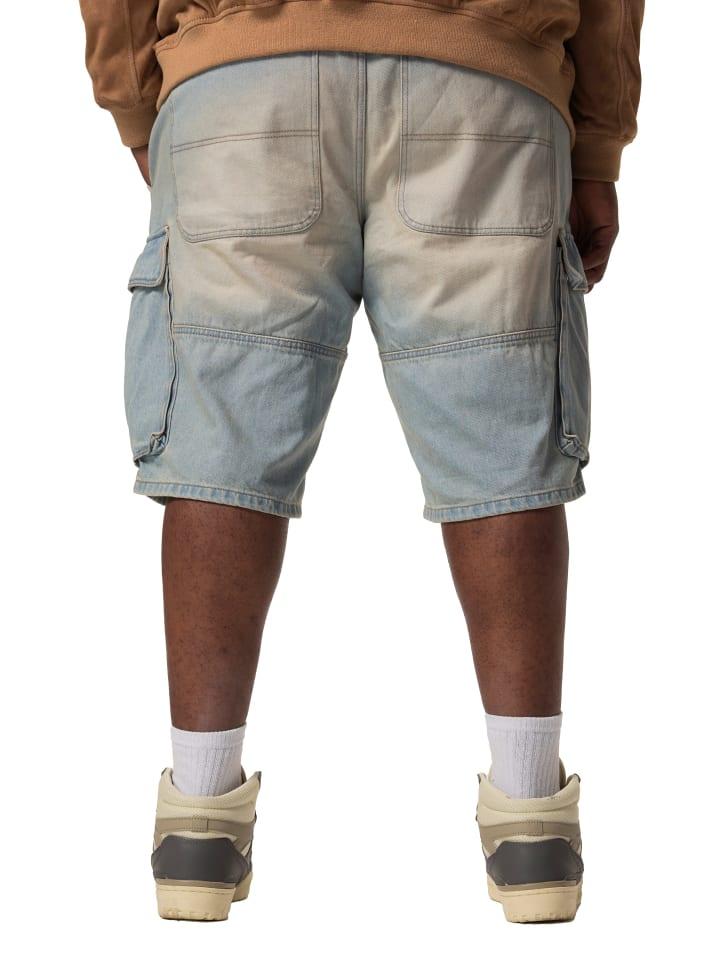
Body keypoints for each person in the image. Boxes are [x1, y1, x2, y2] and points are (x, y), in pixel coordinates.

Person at [79, 0, 643, 924]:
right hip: (483, 68)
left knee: (223, 444)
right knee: (499, 444)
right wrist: (599, 139)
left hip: (242, 75)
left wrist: (141, 97)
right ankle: (533, 830)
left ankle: (198, 829)